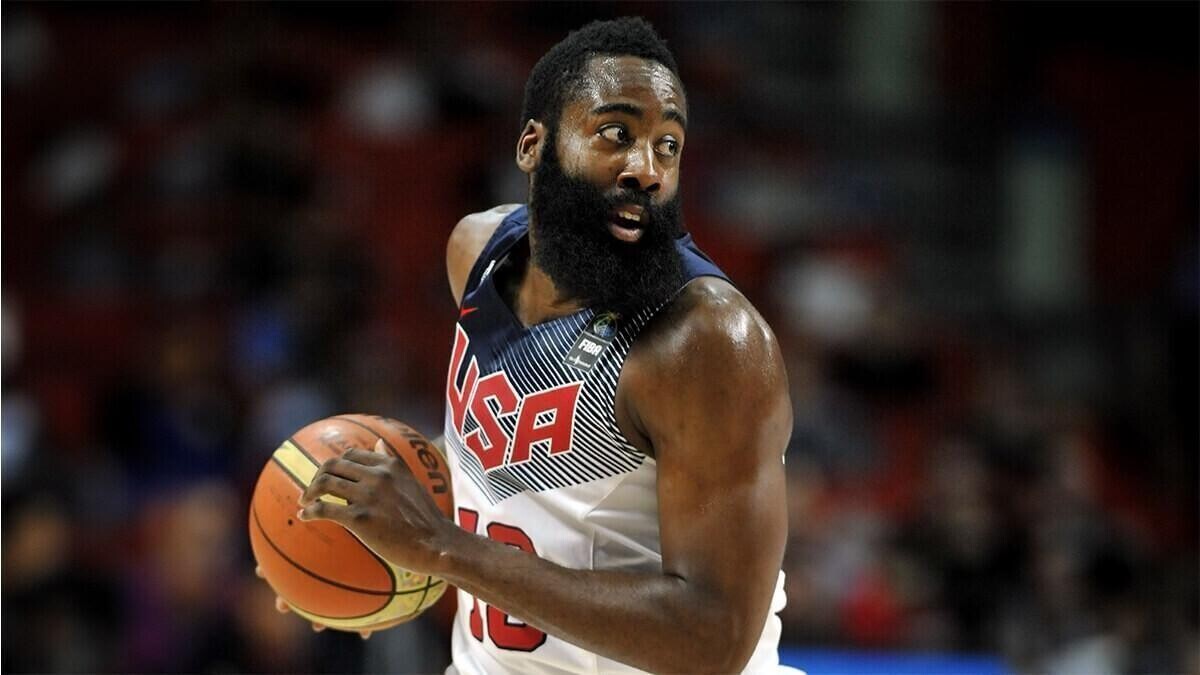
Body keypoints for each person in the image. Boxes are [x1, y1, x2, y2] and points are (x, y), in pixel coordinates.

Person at [287, 17, 796, 674]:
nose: (646, 168)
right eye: (617, 133)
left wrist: (441, 549)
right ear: (533, 144)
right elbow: (515, 465)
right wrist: (341, 548)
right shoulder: (475, 252)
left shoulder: (706, 343)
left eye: (667, 145)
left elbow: (713, 638)